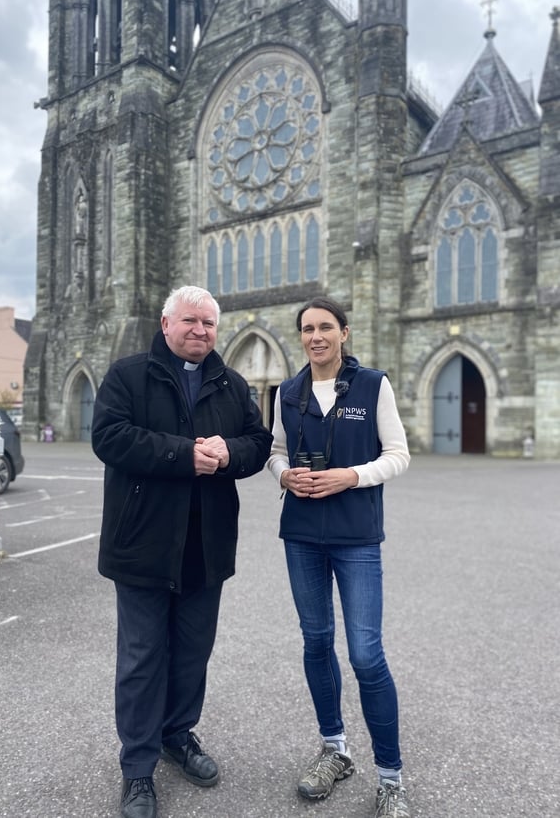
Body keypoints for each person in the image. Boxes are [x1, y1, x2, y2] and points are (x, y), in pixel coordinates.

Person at [92, 285, 272, 818]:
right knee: (143, 658)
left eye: (210, 324)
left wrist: (229, 452)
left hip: (205, 545)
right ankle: (138, 769)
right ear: (166, 323)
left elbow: (259, 444)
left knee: (192, 653)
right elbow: (109, 436)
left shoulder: (231, 383)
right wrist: (182, 455)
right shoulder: (129, 375)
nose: (201, 331)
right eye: (191, 321)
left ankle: (177, 735)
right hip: (143, 544)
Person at [266, 296, 411, 818]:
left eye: (326, 327)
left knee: (367, 655)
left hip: (356, 535)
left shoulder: (373, 385)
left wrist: (352, 475)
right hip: (302, 533)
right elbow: (275, 449)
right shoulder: (287, 391)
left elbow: (398, 454)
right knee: (316, 641)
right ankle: (335, 750)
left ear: (344, 334)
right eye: (307, 329)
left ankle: (391, 779)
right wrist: (282, 474)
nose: (316, 336)